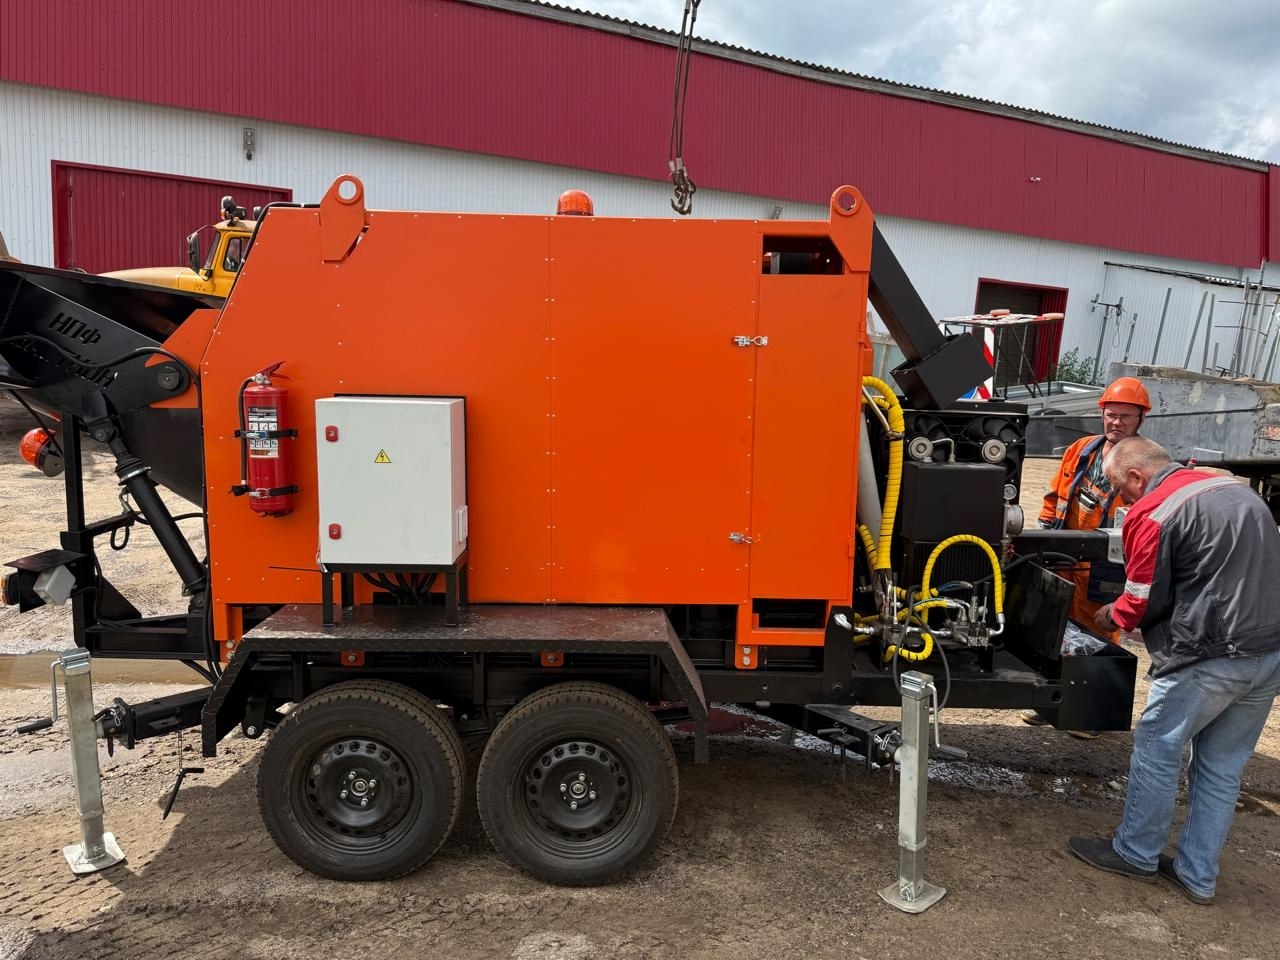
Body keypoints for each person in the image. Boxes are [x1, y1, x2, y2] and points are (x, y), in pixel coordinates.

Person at [1067, 437, 1280, 904]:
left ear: (1137, 475)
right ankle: (1197, 875)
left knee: (1158, 747)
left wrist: (1110, 615)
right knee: (1221, 767)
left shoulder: (1154, 511)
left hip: (1210, 654)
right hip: (1268, 654)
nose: (1119, 497)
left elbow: (1139, 599)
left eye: (1119, 487)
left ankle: (1136, 853)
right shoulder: (1237, 492)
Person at [1021, 376, 1151, 733]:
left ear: (1141, 418)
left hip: (1107, 563)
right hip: (1066, 554)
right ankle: (1052, 700)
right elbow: (1054, 496)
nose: (1116, 422)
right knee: (1057, 629)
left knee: (1099, 633)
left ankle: (1092, 715)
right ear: (1102, 414)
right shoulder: (1081, 450)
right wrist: (1046, 538)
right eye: (1111, 414)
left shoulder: (1143, 461)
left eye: (1125, 416)